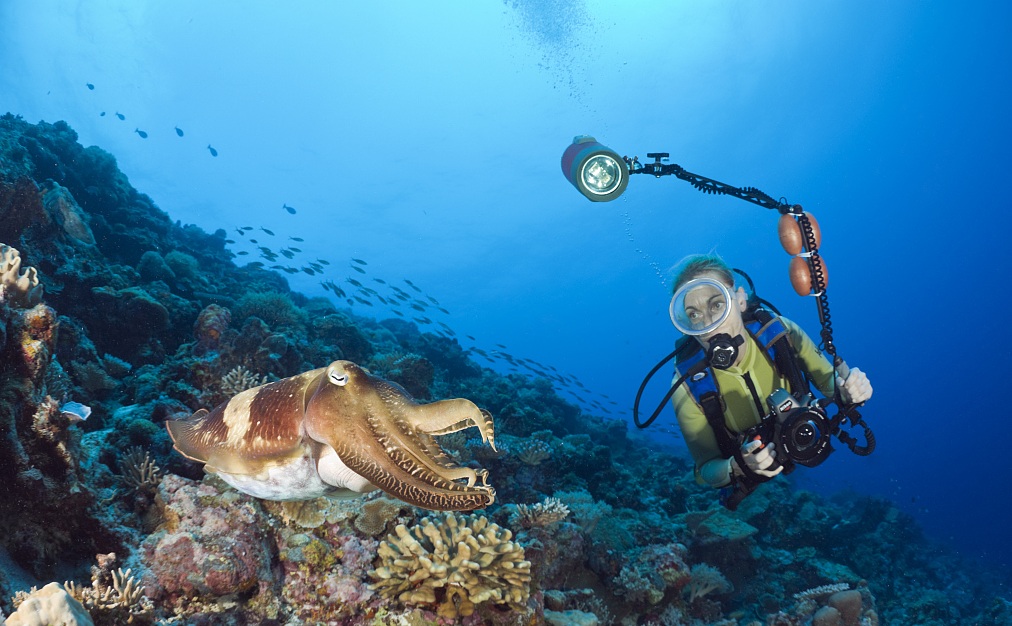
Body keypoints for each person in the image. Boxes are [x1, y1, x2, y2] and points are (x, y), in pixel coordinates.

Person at [668, 254, 873, 498]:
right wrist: (737, 466)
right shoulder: (687, 386)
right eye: (694, 315)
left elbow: (831, 384)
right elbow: (706, 469)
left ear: (740, 300)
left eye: (717, 305)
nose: (709, 324)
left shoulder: (780, 333)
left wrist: (850, 389)